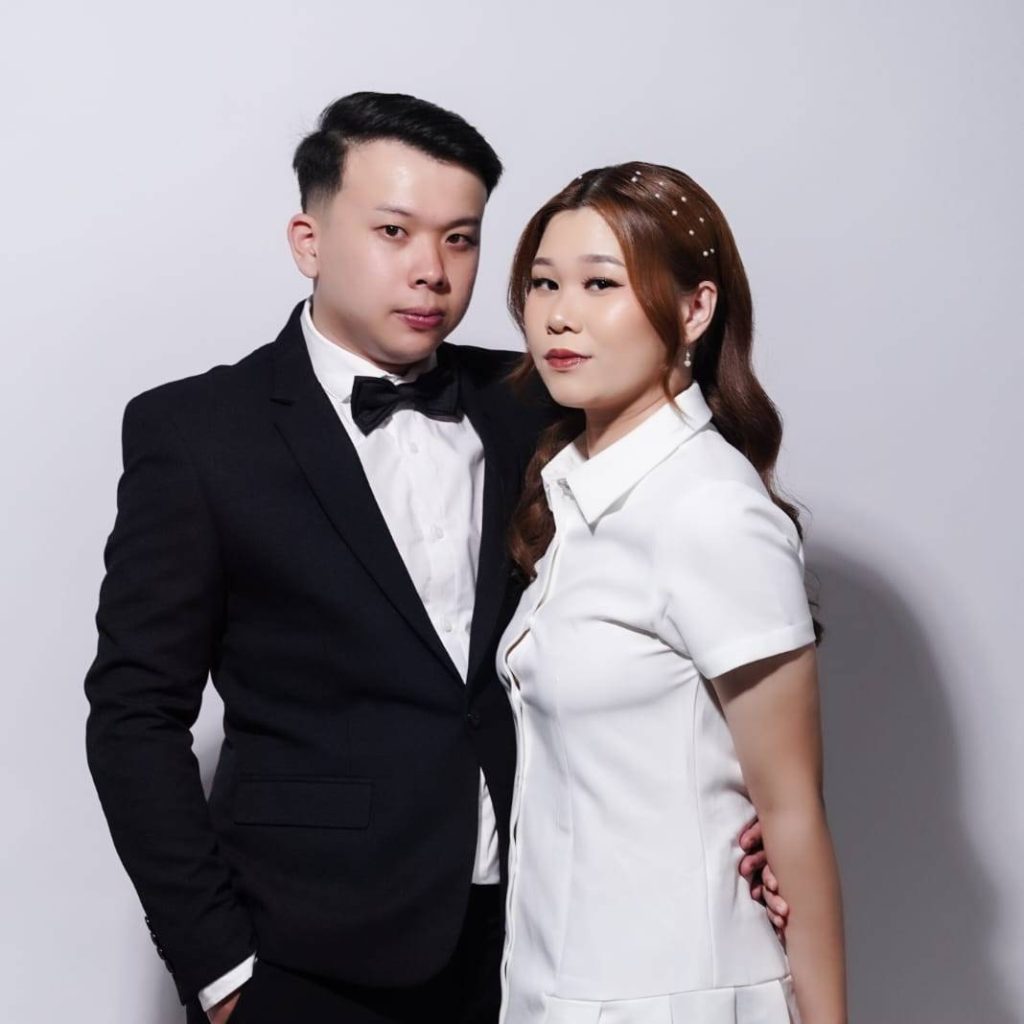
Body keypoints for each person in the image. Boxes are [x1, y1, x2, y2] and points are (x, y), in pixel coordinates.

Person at [84, 94, 786, 1024]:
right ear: (308, 241)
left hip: (542, 939)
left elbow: (694, 591)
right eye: (394, 232)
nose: (432, 270)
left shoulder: (538, 398)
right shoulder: (198, 434)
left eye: (461, 239)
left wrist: (760, 821)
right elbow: (133, 715)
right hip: (303, 958)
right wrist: (220, 971)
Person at [497, 163, 846, 1024]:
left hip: (674, 994)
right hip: (557, 987)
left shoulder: (711, 512)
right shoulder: (574, 494)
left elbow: (792, 813)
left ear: (695, 309)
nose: (560, 315)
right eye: (543, 283)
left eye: (600, 284)